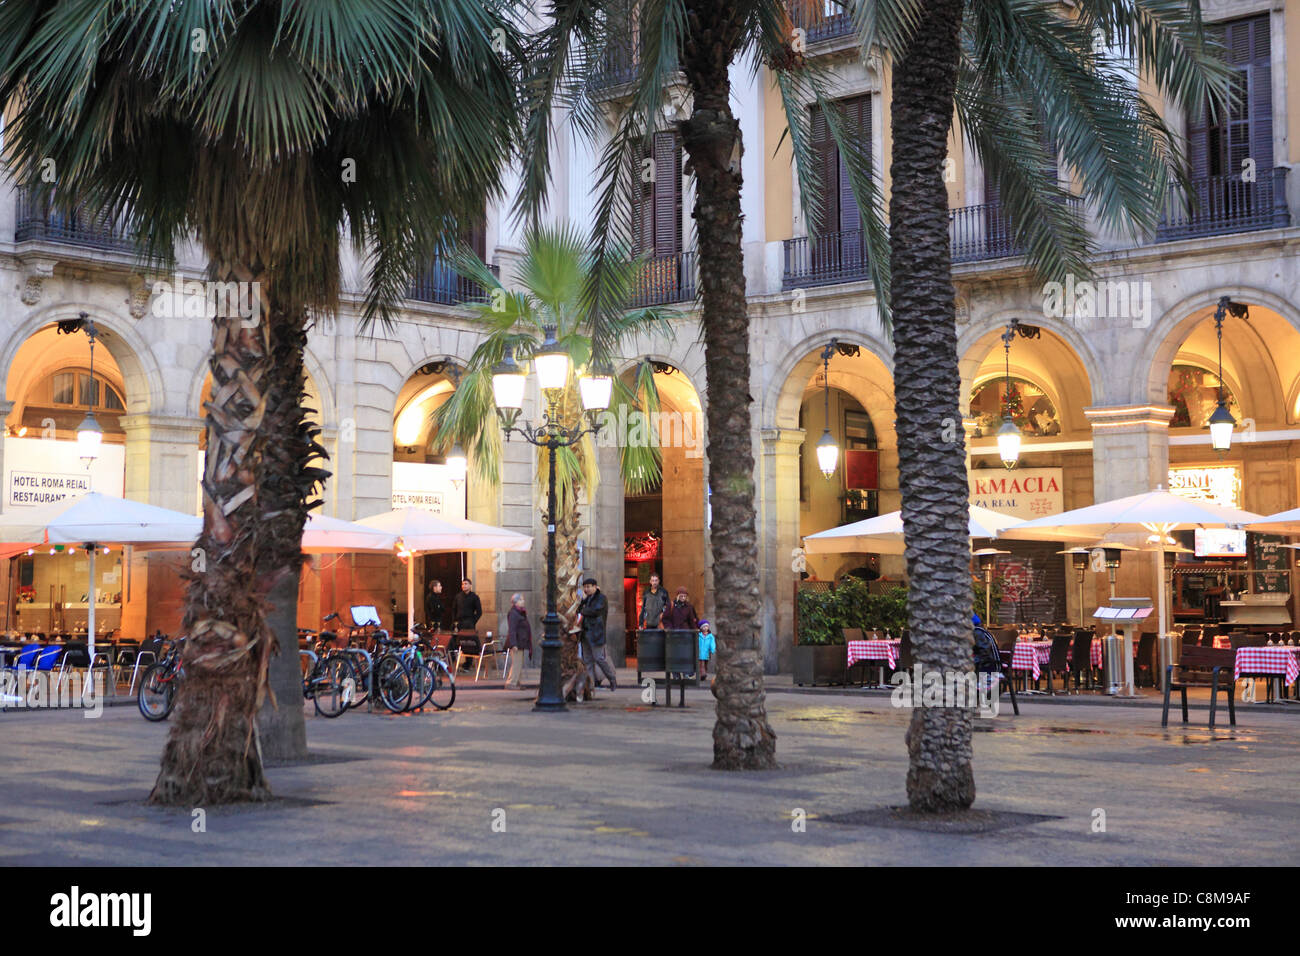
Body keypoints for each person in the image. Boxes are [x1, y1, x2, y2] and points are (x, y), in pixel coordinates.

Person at [576, 577, 617, 691]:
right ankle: (591, 685)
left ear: (595, 587)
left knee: (599, 658)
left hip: (596, 634)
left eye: (588, 587)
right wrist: (583, 603)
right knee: (587, 661)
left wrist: (583, 609)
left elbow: (594, 611)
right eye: (584, 587)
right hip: (585, 634)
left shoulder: (601, 598)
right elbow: (578, 609)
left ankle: (612, 678)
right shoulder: (586, 599)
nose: (586, 589)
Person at [503, 593, 532, 689]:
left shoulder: (520, 612)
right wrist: (513, 643)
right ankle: (511, 682)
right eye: (521, 600)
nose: (523, 601)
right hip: (517, 643)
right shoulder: (514, 613)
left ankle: (517, 682)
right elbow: (512, 629)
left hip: (521, 642)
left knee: (519, 663)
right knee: (516, 663)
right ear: (516, 602)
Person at [450, 578, 482, 659]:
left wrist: (472, 622)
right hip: (459, 623)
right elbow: (454, 609)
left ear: (470, 585)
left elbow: (479, 612)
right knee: (455, 641)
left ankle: (468, 662)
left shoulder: (474, 597)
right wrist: (454, 621)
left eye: (466, 584)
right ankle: (453, 659)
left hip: (469, 623)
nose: (464, 586)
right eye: (463, 584)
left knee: (469, 643)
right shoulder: (458, 596)